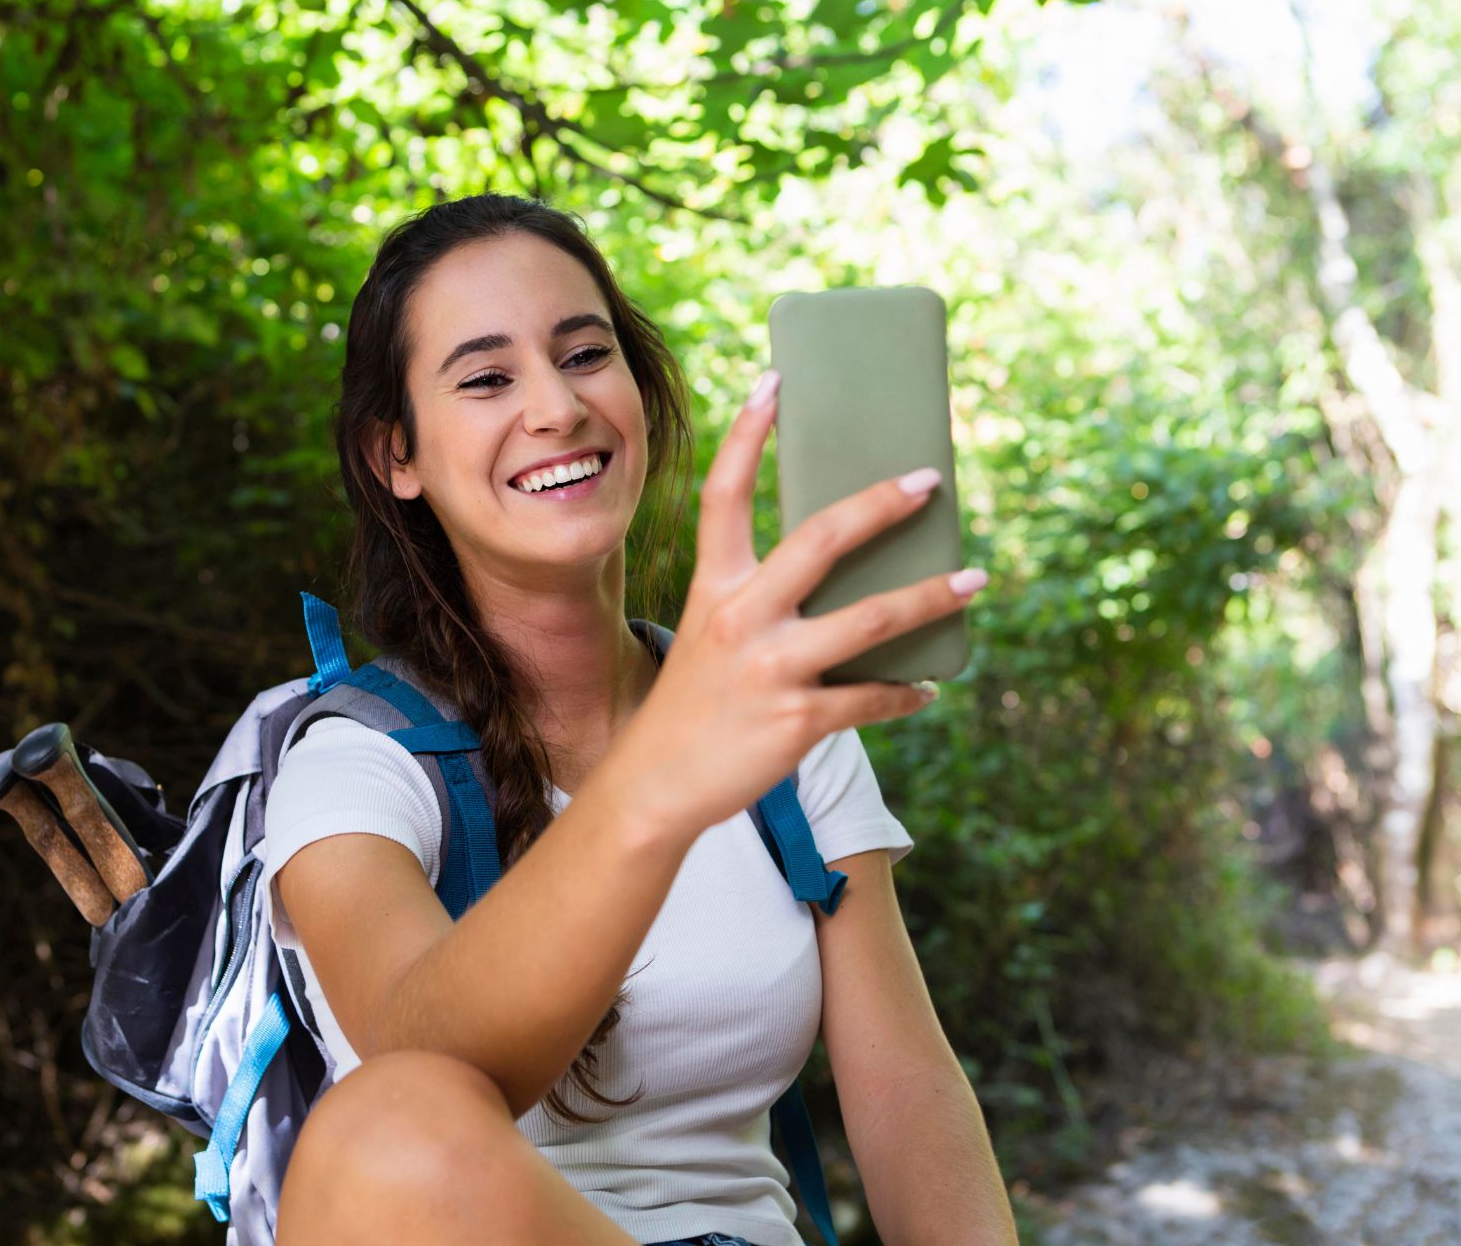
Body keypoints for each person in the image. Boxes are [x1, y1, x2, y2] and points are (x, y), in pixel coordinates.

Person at [257, 194, 1016, 1245]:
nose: (557, 408)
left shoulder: (778, 727)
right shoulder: (352, 765)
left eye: (584, 353)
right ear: (399, 455)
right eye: (486, 378)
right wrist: (662, 779)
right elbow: (422, 1063)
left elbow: (907, 1090)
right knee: (386, 1124)